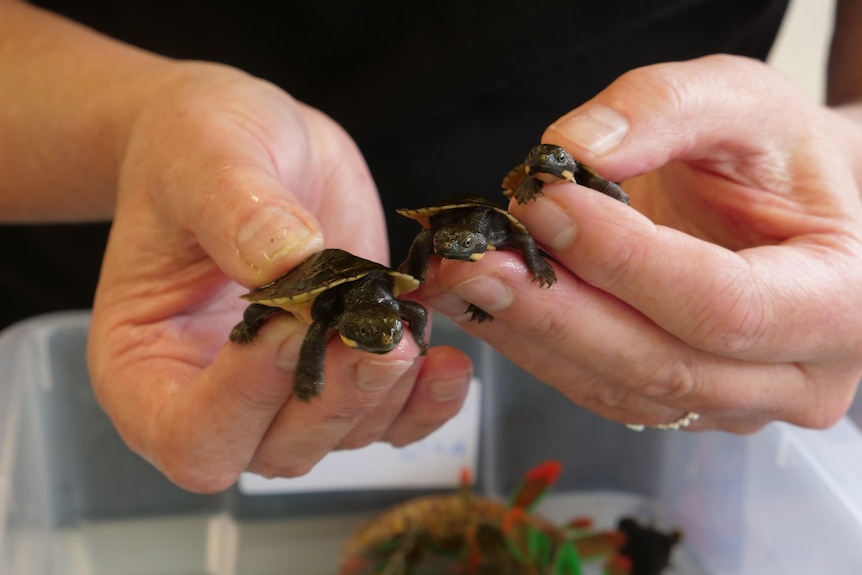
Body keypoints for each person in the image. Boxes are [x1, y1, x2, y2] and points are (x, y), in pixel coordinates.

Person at [1, 0, 860, 493]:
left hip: (674, 253)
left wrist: (843, 171)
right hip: (140, 284)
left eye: (380, 326)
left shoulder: (491, 231)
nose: (375, 329)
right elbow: (317, 303)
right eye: (376, 326)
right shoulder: (364, 294)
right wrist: (132, 124)